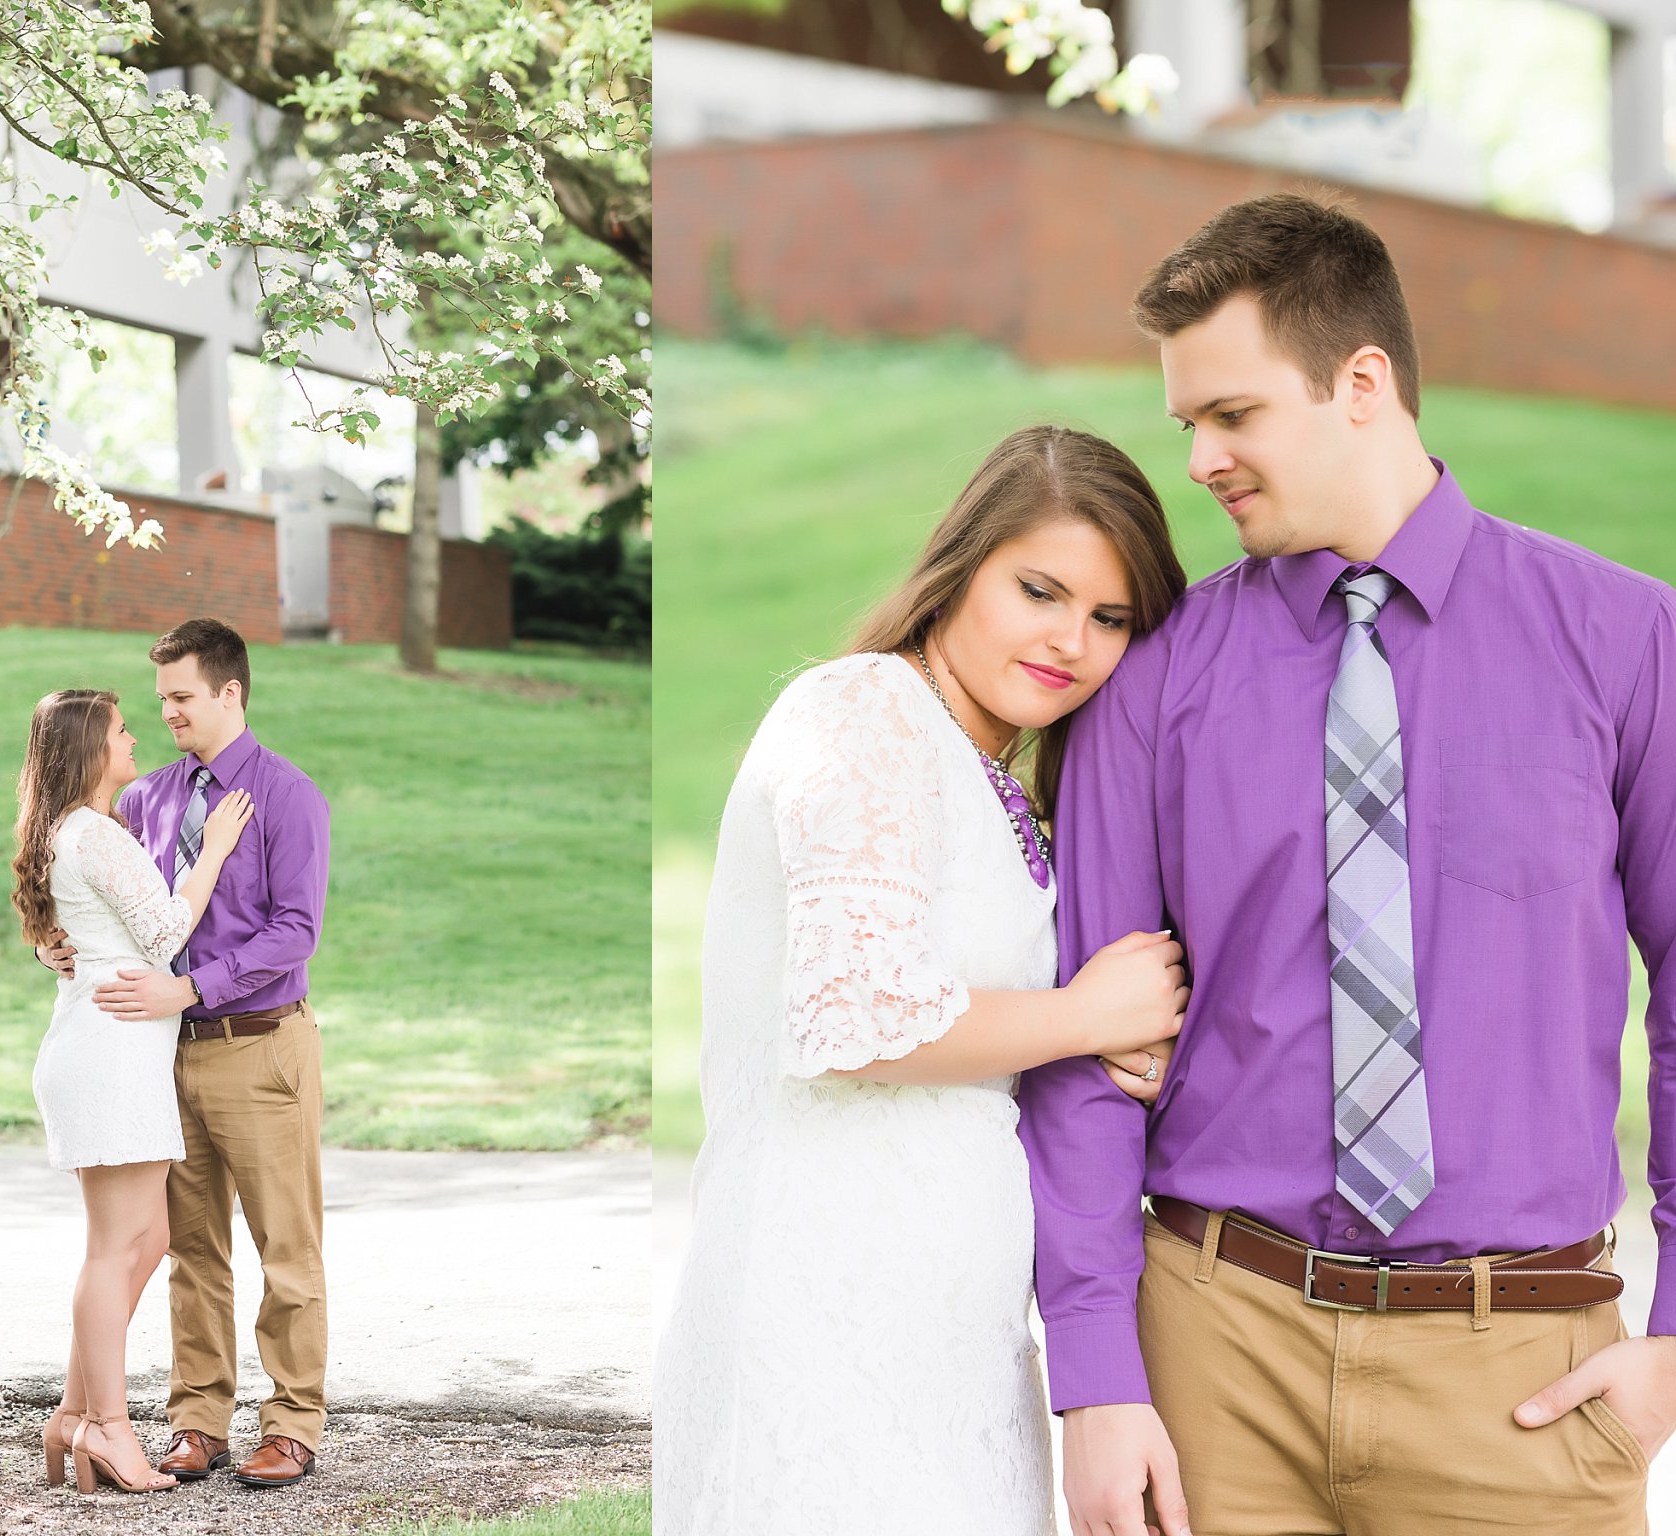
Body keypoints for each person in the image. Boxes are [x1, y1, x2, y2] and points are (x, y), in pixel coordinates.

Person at [1026, 192, 1676, 1536]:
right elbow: (1087, 1045)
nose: (1199, 458)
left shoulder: (1627, 643)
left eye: (1234, 414)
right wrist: (1095, 1375)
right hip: (1217, 1361)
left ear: (1362, 383)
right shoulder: (1156, 682)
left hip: (1524, 1381)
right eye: (1185, 424)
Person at [653, 424, 1191, 1535]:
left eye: (1107, 617)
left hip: (946, 1331)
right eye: (1038, 590)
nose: (1068, 641)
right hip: (823, 1307)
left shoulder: (980, 764)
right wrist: (1085, 1015)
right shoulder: (861, 712)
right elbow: (854, 1017)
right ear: (961, 565)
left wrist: (1089, 1041)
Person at [38, 617, 333, 1491]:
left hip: (260, 1047)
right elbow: (113, 907)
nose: (165, 712)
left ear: (230, 692)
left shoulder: (288, 795)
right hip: (160, 1059)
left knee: (287, 1246)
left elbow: (296, 932)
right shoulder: (145, 799)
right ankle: (198, 1420)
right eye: (158, 698)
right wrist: (61, 947)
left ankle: (291, 1424)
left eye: (180, 696)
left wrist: (193, 989)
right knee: (188, 1249)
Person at [11, 688, 254, 1494]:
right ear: (89, 751)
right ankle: (107, 1430)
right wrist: (215, 847)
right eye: (120, 729)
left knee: (141, 1242)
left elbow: (77, 937)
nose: (134, 736)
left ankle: (74, 1418)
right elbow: (164, 934)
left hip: (111, 1053)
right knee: (119, 1249)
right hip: (108, 1057)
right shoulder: (96, 834)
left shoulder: (64, 832)